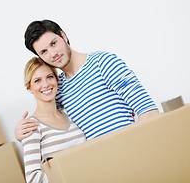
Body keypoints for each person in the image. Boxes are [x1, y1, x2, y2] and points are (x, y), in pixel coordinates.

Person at [15, 19, 159, 141]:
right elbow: (48, 118)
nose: (53, 54)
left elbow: (148, 111)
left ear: (63, 36)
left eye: (53, 43)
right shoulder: (58, 88)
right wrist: (20, 132)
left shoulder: (103, 62)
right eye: (44, 52)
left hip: (132, 151)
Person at [22, 56, 86, 183]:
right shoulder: (32, 126)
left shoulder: (71, 115)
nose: (45, 84)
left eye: (50, 77)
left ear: (57, 80)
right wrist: (71, 175)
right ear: (29, 88)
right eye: (37, 80)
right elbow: (33, 178)